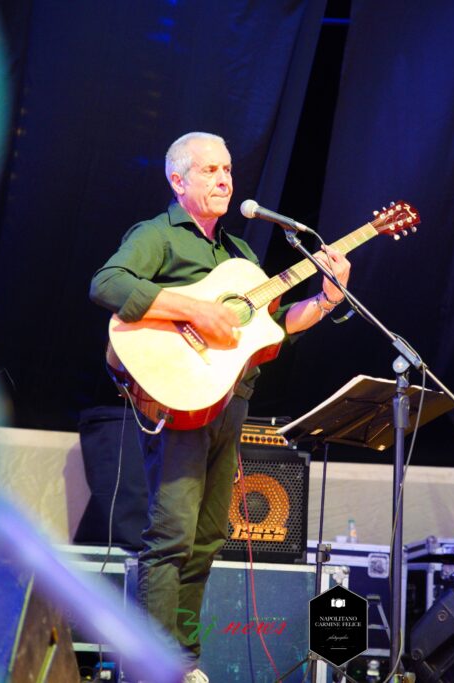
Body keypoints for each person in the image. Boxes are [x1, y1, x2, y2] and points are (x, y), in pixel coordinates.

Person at [90, 131, 350, 682]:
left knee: (207, 541)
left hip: (229, 404)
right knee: (172, 537)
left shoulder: (241, 256)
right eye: (209, 170)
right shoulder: (158, 236)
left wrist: (326, 299)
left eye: (228, 169)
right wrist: (193, 310)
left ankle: (183, 663)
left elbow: (271, 331)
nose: (224, 179)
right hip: (179, 401)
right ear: (177, 181)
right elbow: (107, 283)